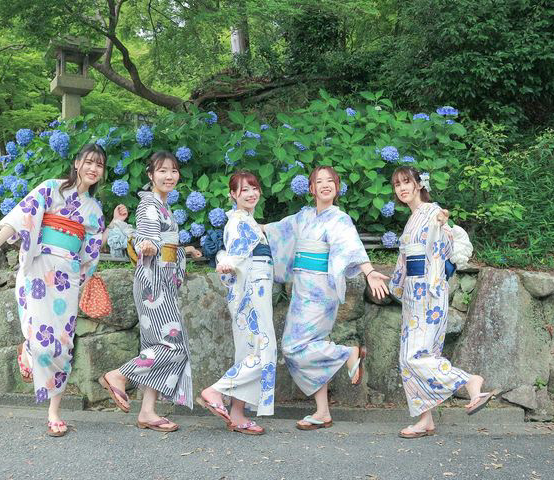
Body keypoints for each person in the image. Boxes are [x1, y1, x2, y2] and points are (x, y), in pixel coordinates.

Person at [0, 144, 126, 437]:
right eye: (89, 162)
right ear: (77, 163)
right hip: (39, 270)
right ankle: (28, 352)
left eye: (100, 165)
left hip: (68, 278)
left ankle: (54, 411)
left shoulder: (93, 209)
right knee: (41, 341)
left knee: (62, 345)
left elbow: (92, 247)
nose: (94, 169)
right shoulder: (50, 189)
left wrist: (115, 224)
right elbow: (21, 218)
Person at [264, 166, 389, 430]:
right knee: (312, 347)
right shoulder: (304, 216)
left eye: (329, 181)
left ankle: (346, 352)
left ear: (337, 187)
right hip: (301, 290)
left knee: (293, 346)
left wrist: (369, 272)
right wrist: (246, 223)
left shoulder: (339, 219)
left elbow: (351, 248)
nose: (324, 185)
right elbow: (277, 231)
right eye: (318, 181)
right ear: (311, 189)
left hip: (320, 292)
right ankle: (322, 411)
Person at [389, 166, 496, 439]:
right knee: (409, 358)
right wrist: (395, 286)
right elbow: (405, 260)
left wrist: (442, 220)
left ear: (418, 184)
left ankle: (469, 380)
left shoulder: (430, 210)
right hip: (414, 294)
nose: (402, 188)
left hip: (428, 292)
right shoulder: (413, 217)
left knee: (415, 356)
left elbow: (443, 231)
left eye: (407, 182)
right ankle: (425, 419)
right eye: (397, 184)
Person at [100, 151, 201, 433]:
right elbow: (147, 237)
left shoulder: (162, 205)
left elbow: (164, 240)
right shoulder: (148, 206)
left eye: (174, 171)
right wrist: (148, 246)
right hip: (154, 281)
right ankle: (118, 375)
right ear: (150, 175)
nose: (169, 176)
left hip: (161, 279)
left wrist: (184, 249)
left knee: (154, 345)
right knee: (173, 345)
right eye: (162, 171)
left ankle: (146, 411)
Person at [197, 172, 275, 435]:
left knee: (248, 352)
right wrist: (227, 263)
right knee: (264, 351)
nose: (251, 194)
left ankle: (238, 414)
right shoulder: (239, 223)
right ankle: (215, 390)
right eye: (244, 191)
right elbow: (236, 258)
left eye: (254, 188)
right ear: (233, 195)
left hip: (253, 288)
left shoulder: (248, 222)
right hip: (252, 289)